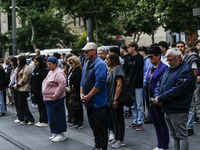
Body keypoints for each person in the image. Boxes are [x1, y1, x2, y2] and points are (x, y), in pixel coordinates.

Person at [154, 48, 195, 150]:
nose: (169, 62)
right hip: (167, 106)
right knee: (174, 135)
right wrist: (157, 95)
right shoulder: (170, 68)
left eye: (171, 60)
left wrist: (161, 97)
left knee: (181, 135)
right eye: (168, 60)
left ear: (179, 57)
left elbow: (178, 90)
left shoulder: (185, 70)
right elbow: (160, 82)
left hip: (178, 108)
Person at [80, 42, 108, 150]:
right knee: (93, 125)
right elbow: (82, 81)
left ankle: (102, 147)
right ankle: (97, 145)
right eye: (85, 51)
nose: (85, 53)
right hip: (89, 102)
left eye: (87, 51)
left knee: (100, 126)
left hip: (98, 102)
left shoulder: (100, 64)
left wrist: (88, 96)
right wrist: (81, 94)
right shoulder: (87, 64)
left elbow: (99, 84)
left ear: (93, 51)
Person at [145, 47, 169, 150]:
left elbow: (165, 85)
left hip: (158, 99)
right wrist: (147, 101)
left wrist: (160, 98)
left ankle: (164, 145)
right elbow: (147, 85)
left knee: (161, 123)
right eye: (149, 57)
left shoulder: (164, 68)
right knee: (155, 123)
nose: (150, 59)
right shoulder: (150, 68)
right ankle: (160, 144)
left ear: (158, 56)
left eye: (152, 57)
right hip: (150, 99)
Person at [42, 56, 67, 142]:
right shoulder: (51, 72)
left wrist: (56, 95)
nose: (48, 66)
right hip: (49, 99)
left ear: (55, 64)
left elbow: (63, 83)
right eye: (47, 64)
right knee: (52, 116)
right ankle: (55, 132)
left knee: (57, 116)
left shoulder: (58, 72)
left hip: (55, 99)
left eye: (50, 64)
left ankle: (60, 133)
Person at [177, 41, 198, 136]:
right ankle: (182, 126)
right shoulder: (175, 58)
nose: (180, 48)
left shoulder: (190, 58)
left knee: (189, 107)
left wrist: (188, 83)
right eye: (178, 47)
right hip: (178, 86)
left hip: (188, 86)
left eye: (182, 46)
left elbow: (194, 73)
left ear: (185, 47)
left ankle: (190, 127)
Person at [106, 52, 125, 149]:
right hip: (110, 98)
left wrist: (115, 99)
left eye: (108, 59)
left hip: (116, 98)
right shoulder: (111, 70)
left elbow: (119, 85)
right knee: (114, 118)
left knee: (119, 118)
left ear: (113, 60)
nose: (106, 61)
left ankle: (120, 139)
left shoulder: (118, 69)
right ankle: (116, 137)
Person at [126, 41, 144, 131]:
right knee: (132, 104)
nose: (128, 50)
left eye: (129, 48)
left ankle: (139, 122)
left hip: (138, 85)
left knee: (139, 104)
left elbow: (139, 73)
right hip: (130, 85)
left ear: (133, 47)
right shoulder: (128, 58)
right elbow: (126, 71)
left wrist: (132, 82)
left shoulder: (139, 58)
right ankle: (135, 121)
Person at [14, 56, 35, 125]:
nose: (17, 62)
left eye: (18, 60)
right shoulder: (21, 68)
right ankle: (27, 118)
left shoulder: (27, 68)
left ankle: (31, 118)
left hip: (24, 88)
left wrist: (17, 85)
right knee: (23, 104)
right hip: (20, 88)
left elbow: (24, 79)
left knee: (22, 104)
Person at [66, 56, 83, 129]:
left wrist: (72, 88)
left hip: (76, 91)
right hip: (70, 91)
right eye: (69, 63)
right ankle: (75, 121)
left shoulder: (78, 70)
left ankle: (79, 121)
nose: (70, 64)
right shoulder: (71, 70)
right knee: (73, 106)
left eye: (72, 63)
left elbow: (77, 81)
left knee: (77, 106)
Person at [138, 46, 153, 124]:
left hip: (145, 83)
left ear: (143, 52)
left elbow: (147, 72)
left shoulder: (147, 61)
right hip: (145, 82)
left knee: (148, 99)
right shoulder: (144, 60)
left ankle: (150, 116)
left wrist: (144, 82)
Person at [32, 56, 48, 127]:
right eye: (34, 62)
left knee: (42, 107)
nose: (35, 63)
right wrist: (32, 91)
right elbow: (33, 81)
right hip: (36, 91)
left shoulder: (43, 70)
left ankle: (44, 121)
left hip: (41, 91)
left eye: (36, 61)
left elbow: (43, 81)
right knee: (39, 106)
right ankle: (41, 120)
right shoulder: (35, 69)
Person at [8, 57, 19, 121]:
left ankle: (20, 114)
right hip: (13, 86)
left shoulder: (16, 69)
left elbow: (14, 78)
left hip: (16, 86)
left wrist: (10, 85)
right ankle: (19, 113)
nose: (10, 63)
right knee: (16, 101)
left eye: (11, 62)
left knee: (18, 101)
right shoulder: (13, 69)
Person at [195, 40, 200, 123]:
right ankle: (199, 115)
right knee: (197, 98)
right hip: (197, 79)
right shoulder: (195, 56)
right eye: (198, 45)